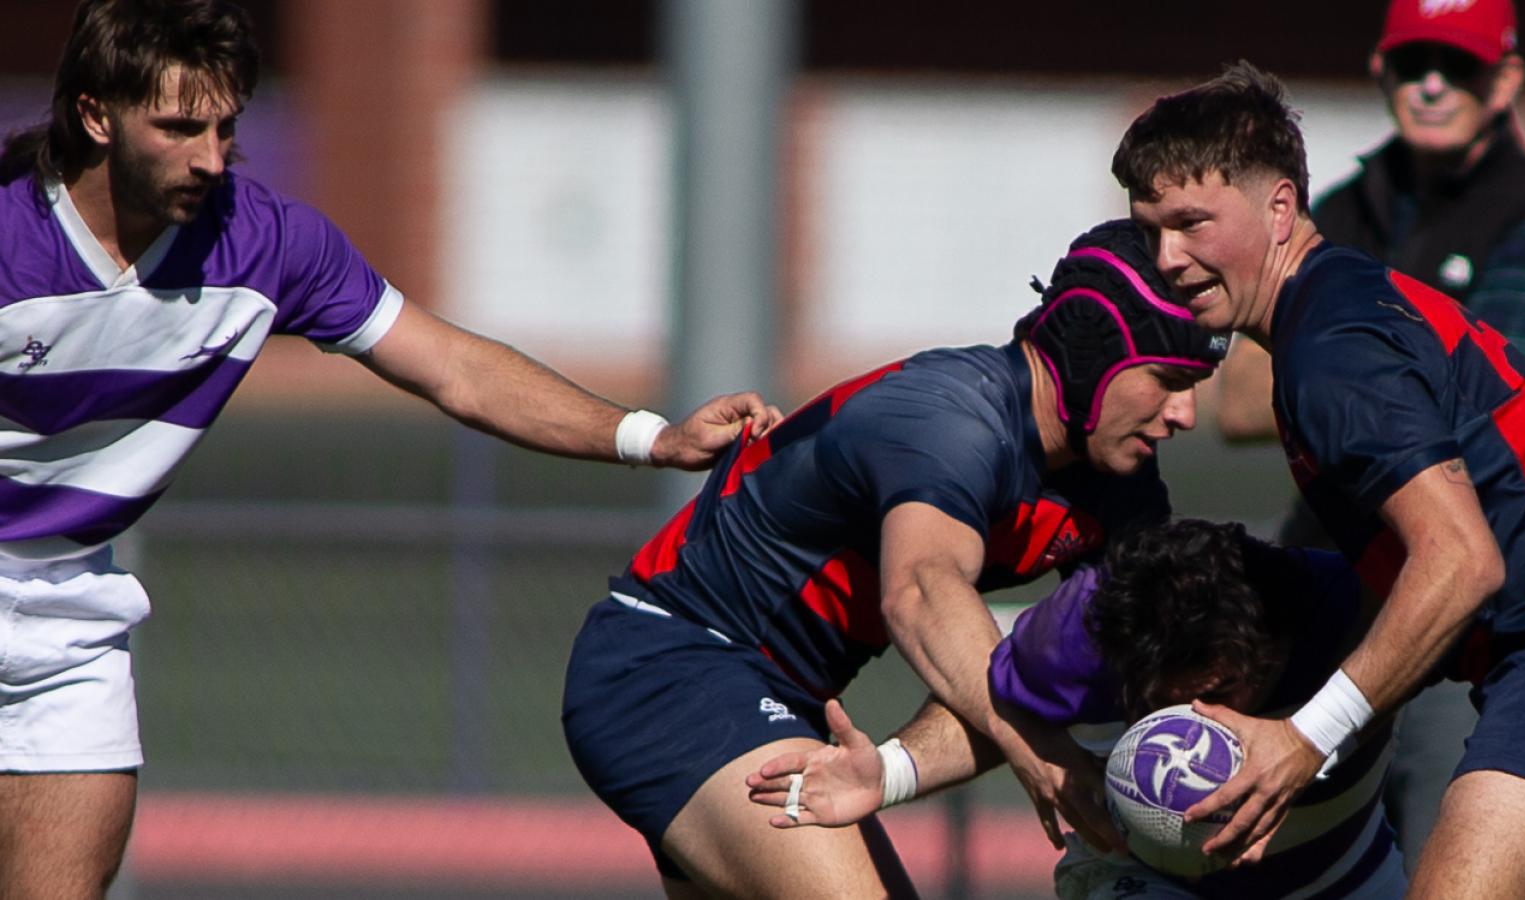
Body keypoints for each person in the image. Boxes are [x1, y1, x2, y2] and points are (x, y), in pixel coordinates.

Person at [0, 1, 780, 897]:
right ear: (96, 115)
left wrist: (651, 436)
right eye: (179, 128)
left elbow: (454, 367)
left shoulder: (270, 244)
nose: (211, 159)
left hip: (73, 622)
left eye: (225, 127)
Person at [562, 218, 1230, 898]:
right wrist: (1043, 750)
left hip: (776, 700)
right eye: (1167, 378)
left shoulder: (1121, 487)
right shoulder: (950, 420)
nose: (1186, 414)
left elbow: (1035, 679)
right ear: (1095, 354)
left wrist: (898, 768)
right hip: (667, 670)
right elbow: (919, 594)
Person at [1113, 60, 1525, 898]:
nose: (1169, 257)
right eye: (1151, 229)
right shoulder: (1337, 306)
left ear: (1279, 208)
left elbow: (1461, 562)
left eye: (1193, 222)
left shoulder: (1328, 355)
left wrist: (1306, 738)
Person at [747, 518, 1405, 899]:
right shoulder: (1083, 635)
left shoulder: (1361, 615)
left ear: (1270, 650)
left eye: (1219, 690)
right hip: (1138, 877)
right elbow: (1001, 704)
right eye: (1165, 701)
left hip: (1344, 881)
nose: (1194, 721)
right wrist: (891, 771)